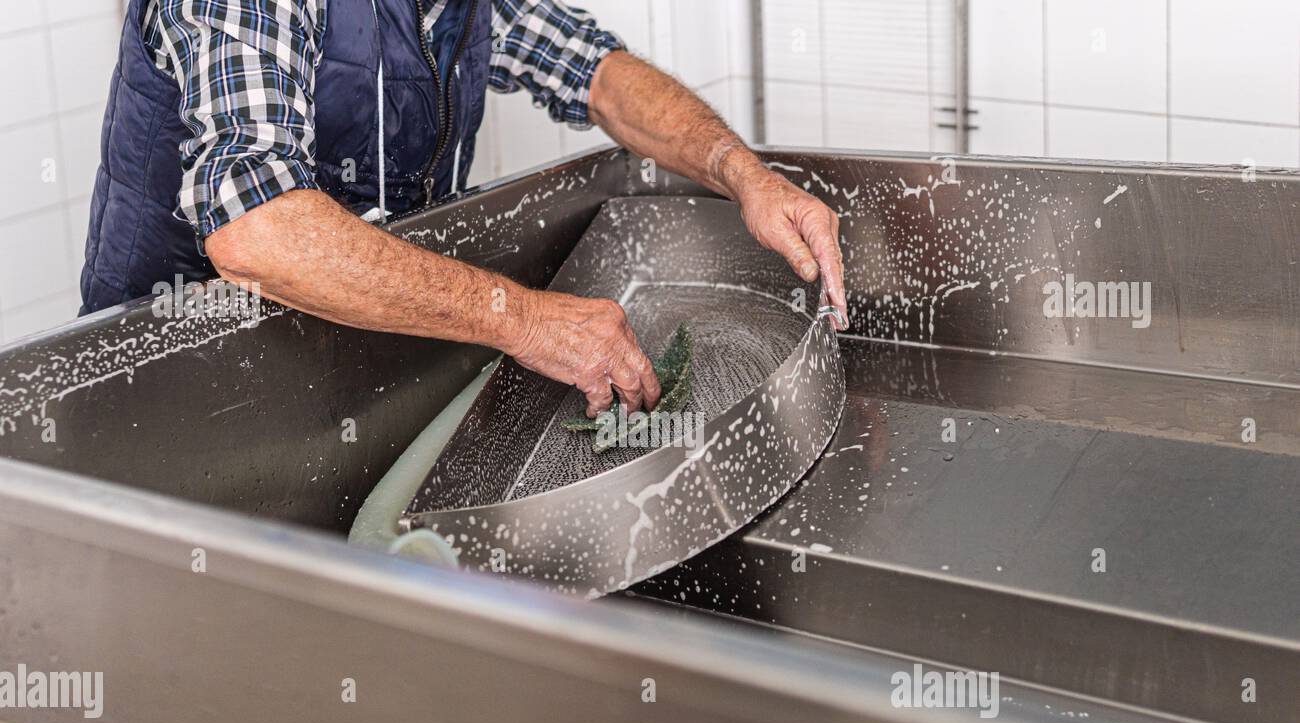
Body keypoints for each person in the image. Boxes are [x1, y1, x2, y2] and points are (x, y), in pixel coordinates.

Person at [82, 0, 847, 420]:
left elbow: (598, 72)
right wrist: (525, 317)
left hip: (350, 345)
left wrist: (742, 174)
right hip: (179, 380)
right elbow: (259, 228)